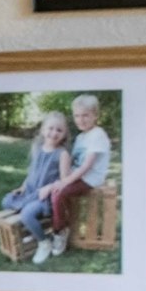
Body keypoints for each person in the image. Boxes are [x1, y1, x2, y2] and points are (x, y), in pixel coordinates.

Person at [43, 94, 113, 259]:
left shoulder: (98, 134)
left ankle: (60, 232)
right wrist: (60, 177)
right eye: (77, 116)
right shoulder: (81, 137)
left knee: (59, 193)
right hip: (77, 175)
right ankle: (44, 227)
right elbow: (74, 161)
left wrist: (65, 181)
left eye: (85, 115)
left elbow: (86, 165)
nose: (80, 120)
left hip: (90, 178)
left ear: (95, 115)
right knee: (48, 186)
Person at [0, 110, 72, 266]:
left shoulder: (62, 154)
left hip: (44, 197)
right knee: (6, 201)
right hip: (30, 191)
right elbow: (33, 173)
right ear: (43, 130)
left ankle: (44, 242)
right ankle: (32, 230)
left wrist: (49, 187)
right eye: (50, 128)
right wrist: (22, 187)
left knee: (26, 214)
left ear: (64, 134)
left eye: (59, 130)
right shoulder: (38, 148)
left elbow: (64, 180)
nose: (54, 133)